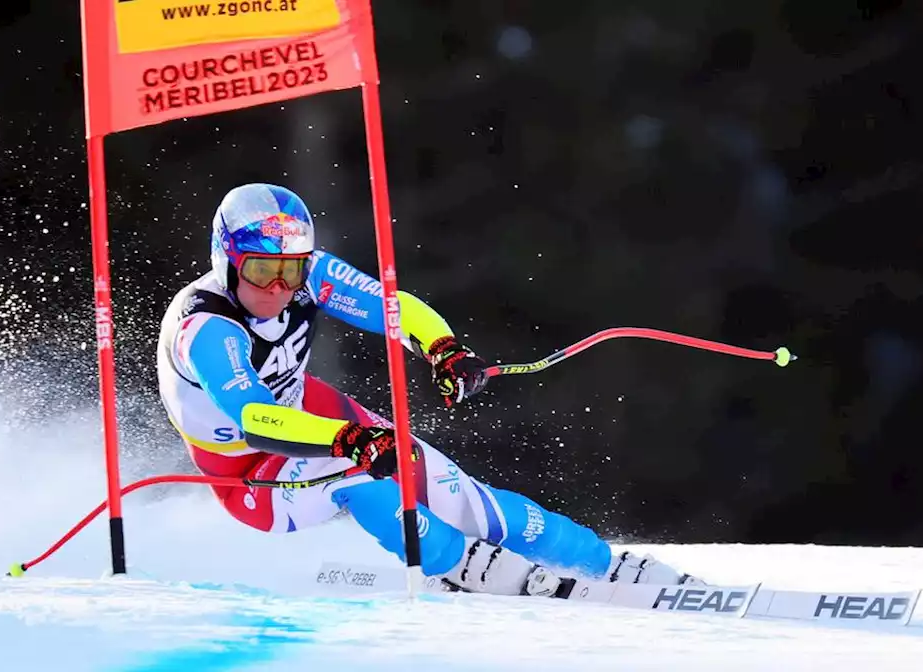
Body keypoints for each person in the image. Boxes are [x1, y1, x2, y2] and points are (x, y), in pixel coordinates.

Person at [156, 183, 702, 596]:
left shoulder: (309, 271)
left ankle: (596, 561)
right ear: (225, 261)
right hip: (251, 471)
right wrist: (351, 441)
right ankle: (457, 568)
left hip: (314, 413)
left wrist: (444, 349)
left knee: (447, 484)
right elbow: (256, 418)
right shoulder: (206, 327)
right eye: (260, 270)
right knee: (371, 482)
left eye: (291, 272)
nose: (278, 287)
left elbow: (396, 309)